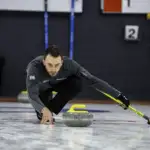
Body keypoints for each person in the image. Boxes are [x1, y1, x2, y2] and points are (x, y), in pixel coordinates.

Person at [26, 45, 130, 125]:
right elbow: (32, 94)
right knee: (42, 113)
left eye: (57, 65)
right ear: (44, 62)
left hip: (59, 84)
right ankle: (45, 110)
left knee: (77, 83)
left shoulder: (70, 65)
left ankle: (51, 109)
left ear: (62, 62)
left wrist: (118, 95)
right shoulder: (34, 67)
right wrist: (43, 109)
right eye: (50, 65)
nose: (53, 69)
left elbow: (92, 80)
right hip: (42, 89)